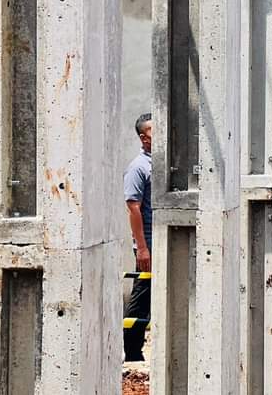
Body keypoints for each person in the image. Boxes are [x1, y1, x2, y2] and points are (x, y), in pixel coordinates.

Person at [123, 113, 153, 362]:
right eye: (155, 130)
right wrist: (142, 248)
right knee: (142, 294)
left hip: (164, 240)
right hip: (149, 244)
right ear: (144, 138)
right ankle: (133, 352)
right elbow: (133, 208)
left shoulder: (161, 163)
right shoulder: (138, 167)